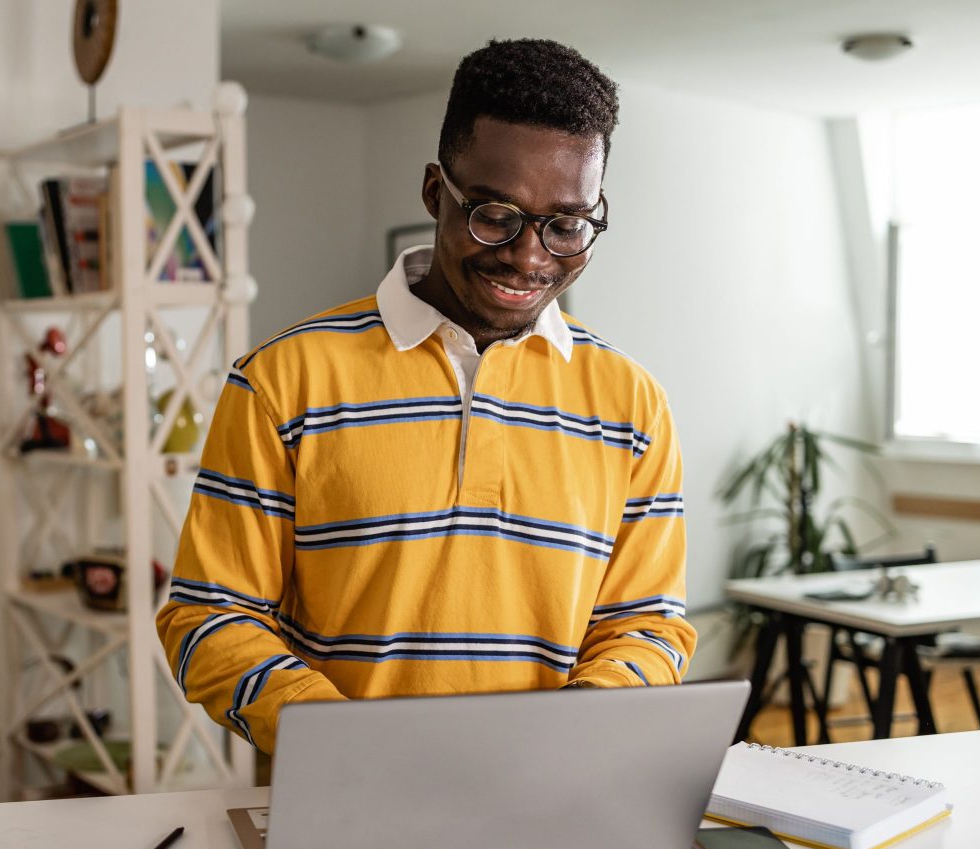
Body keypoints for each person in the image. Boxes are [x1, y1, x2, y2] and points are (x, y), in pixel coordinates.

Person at [157, 38, 693, 754]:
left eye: (566, 226)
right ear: (437, 193)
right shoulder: (282, 382)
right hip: (346, 801)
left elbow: (649, 623)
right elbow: (210, 615)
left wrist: (578, 731)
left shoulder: (634, 406)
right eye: (496, 215)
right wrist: (345, 745)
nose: (529, 258)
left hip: (554, 797)